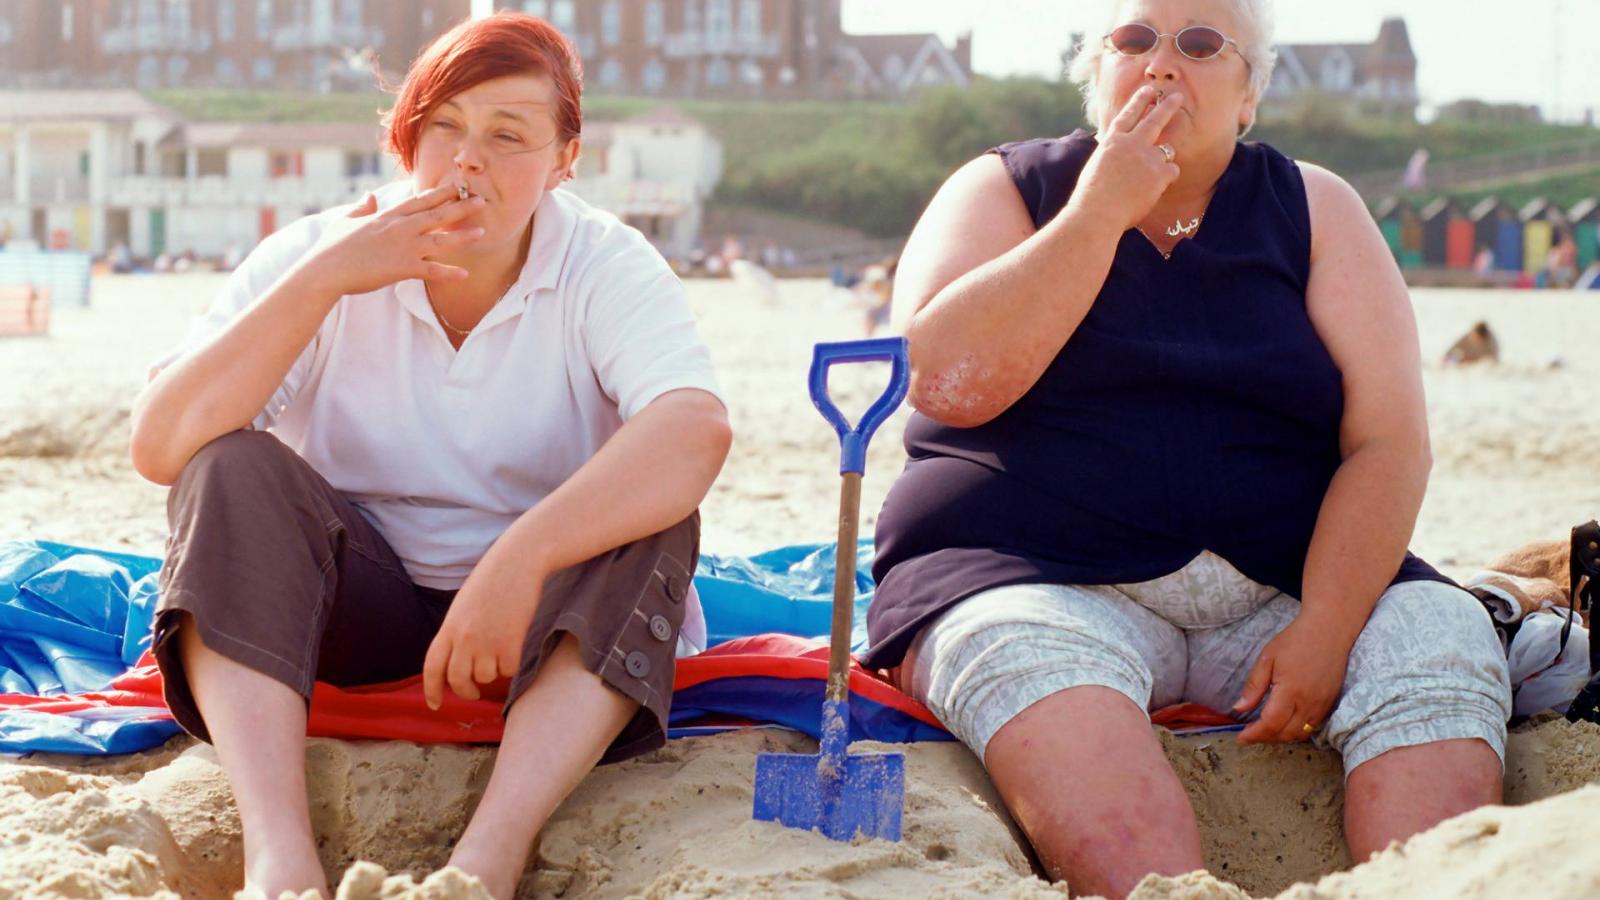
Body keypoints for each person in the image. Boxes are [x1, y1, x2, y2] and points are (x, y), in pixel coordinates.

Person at [864, 1, 1511, 897]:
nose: (1163, 65)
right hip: (1033, 574)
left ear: (1249, 97)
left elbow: (1390, 439)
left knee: (1439, 633)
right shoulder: (1005, 189)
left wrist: (1327, 624)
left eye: (1201, 45)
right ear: (1098, 76)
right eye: (1135, 42)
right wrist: (1098, 213)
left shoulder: (1316, 207)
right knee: (1030, 666)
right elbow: (948, 382)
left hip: (1281, 584)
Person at [128, 13, 731, 899]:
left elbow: (694, 429)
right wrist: (326, 280)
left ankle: (489, 857)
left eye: (508, 135)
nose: (467, 160)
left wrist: (521, 557)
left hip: (542, 625)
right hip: (352, 605)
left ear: (566, 161)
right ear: (403, 136)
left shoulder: (602, 262)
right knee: (230, 466)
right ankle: (278, 858)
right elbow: (162, 444)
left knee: (656, 507)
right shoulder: (320, 254)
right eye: (443, 125)